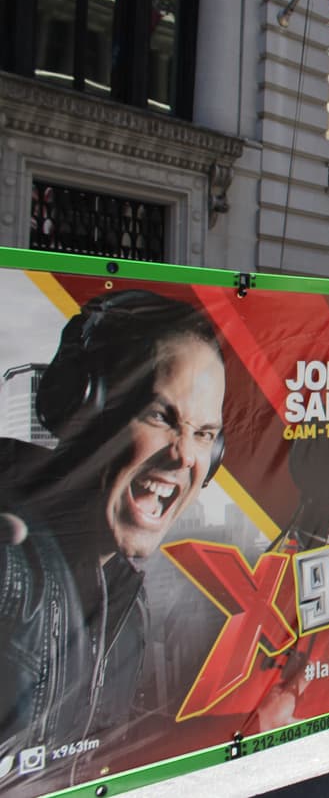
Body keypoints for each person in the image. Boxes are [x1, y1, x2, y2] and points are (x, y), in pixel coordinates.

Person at [0, 290, 226, 783]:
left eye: (205, 434)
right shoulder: (14, 567)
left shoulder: (126, 596)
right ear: (81, 410)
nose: (186, 457)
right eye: (160, 416)